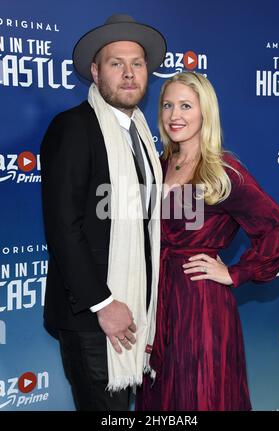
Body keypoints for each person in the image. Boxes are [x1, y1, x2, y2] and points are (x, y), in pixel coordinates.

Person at [136, 71, 279, 411]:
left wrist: (236, 273)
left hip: (200, 304)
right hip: (157, 302)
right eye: (167, 105)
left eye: (185, 105)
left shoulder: (222, 170)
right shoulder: (157, 165)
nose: (174, 115)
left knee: (201, 393)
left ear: (204, 112)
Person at [40, 14, 167, 411]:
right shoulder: (73, 127)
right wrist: (102, 303)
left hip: (136, 310)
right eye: (117, 64)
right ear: (96, 73)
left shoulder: (145, 137)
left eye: (137, 64)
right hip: (93, 317)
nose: (129, 74)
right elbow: (63, 226)